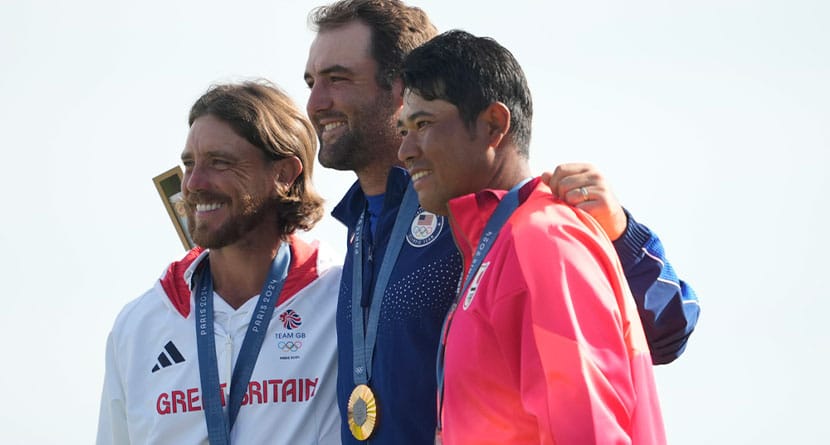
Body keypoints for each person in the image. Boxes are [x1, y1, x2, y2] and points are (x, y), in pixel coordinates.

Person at [304, 1, 696, 443]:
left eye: (337, 78)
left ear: (401, 87)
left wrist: (619, 232)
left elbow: (666, 329)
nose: (316, 102)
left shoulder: (497, 217)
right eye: (312, 82)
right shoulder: (359, 229)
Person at [397, 29, 665, 444]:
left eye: (424, 123)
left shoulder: (541, 239)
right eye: (403, 130)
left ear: (493, 125)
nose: (406, 150)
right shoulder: (498, 242)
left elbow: (588, 432)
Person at [96, 81, 342, 444]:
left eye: (219, 163)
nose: (193, 183)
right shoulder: (139, 326)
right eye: (189, 164)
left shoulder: (342, 298)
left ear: (284, 175)